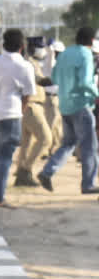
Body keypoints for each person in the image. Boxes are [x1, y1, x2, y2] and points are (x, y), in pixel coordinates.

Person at [38, 27, 99, 194]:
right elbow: (85, 82)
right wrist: (97, 94)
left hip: (65, 105)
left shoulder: (65, 53)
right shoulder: (86, 54)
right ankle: (88, 184)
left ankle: (47, 172)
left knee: (68, 144)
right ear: (91, 41)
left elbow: (55, 77)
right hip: (81, 105)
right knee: (89, 147)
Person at [0, 29, 34, 208]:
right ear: (22, 46)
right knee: (5, 158)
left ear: (3, 44)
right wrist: (22, 111)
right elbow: (28, 94)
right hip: (10, 114)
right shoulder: (24, 66)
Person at [12, 44, 54, 187]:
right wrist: (44, 81)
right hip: (32, 105)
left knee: (26, 144)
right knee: (46, 138)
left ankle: (21, 176)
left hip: (28, 106)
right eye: (39, 46)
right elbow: (35, 77)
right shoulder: (28, 62)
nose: (42, 49)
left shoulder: (29, 62)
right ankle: (25, 169)